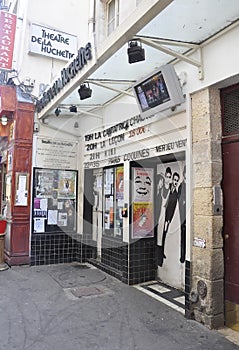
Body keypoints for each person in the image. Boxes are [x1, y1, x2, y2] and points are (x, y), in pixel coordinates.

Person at [161, 171, 180, 260]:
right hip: (162, 214)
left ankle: (162, 251)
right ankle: (160, 252)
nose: (175, 182)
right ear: (172, 179)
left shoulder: (176, 194)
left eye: (177, 180)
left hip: (168, 217)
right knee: (161, 233)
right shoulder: (167, 188)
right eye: (174, 180)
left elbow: (173, 208)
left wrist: (169, 219)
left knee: (165, 233)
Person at [178, 166, 186, 263]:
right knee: (183, 236)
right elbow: (180, 202)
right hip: (182, 216)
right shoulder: (181, 186)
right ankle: (182, 256)